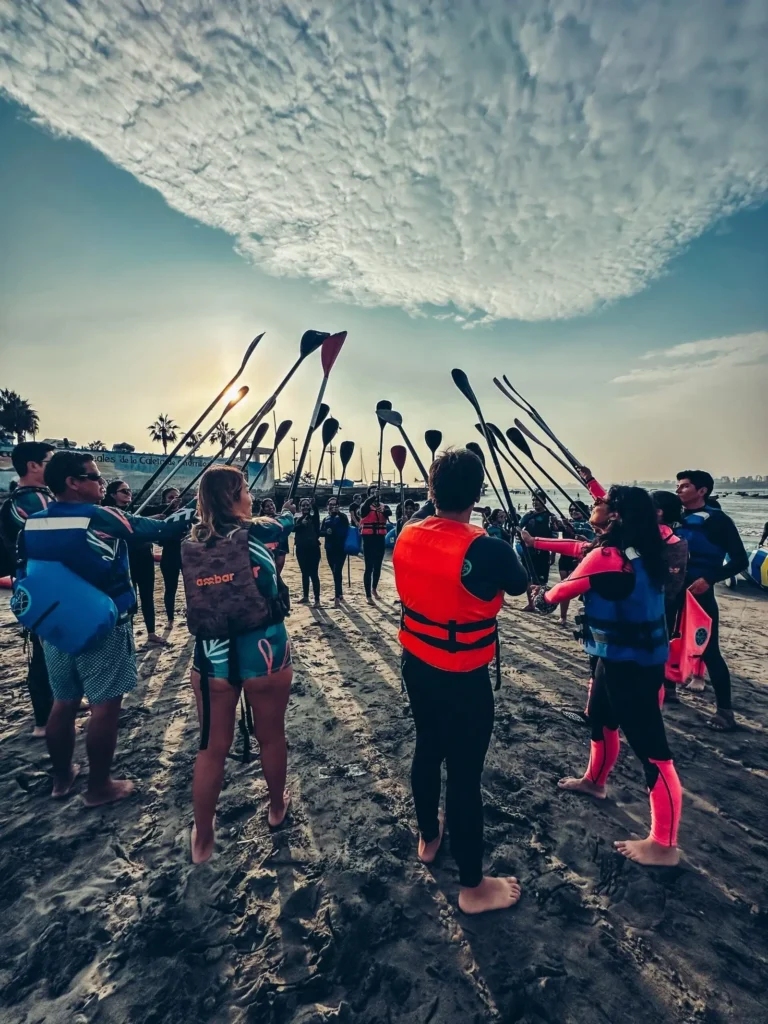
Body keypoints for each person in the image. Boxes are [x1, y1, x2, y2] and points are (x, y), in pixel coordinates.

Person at [393, 448, 528, 914]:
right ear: (477, 492)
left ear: (431, 490)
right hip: (464, 673)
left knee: (428, 747)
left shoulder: (407, 532)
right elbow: (518, 583)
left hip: (417, 663)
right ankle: (472, 887)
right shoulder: (486, 546)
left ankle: (429, 836)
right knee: (465, 774)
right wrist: (492, 535)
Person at [19, 452, 191, 804]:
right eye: (95, 477)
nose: (101, 483)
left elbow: (26, 572)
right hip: (104, 624)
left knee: (63, 702)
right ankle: (99, 787)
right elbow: (164, 530)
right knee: (104, 706)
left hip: (54, 626)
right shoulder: (99, 516)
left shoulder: (33, 523)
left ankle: (62, 776)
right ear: (73, 482)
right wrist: (197, 507)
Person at [533, 485, 681, 867]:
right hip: (619, 658)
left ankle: (664, 843)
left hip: (629, 664)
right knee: (600, 721)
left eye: (600, 503)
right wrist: (535, 540)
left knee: (653, 751)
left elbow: (556, 596)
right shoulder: (645, 546)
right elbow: (576, 549)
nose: (593, 505)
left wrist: (538, 596)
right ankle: (595, 782)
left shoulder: (607, 556)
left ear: (615, 516)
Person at [181, 466, 295, 862]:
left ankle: (203, 838)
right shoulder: (251, 542)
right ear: (232, 498)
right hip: (264, 652)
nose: (249, 495)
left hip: (211, 656)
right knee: (271, 736)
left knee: (210, 748)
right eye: (244, 490)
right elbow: (269, 587)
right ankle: (277, 807)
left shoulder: (192, 543)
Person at [675, 470, 748, 730]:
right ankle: (670, 691)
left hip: (700, 595)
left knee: (709, 651)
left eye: (684, 486)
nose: (678, 490)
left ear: (702, 490)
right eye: (678, 486)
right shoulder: (674, 517)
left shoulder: (719, 521)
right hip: (671, 592)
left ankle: (725, 712)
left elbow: (741, 560)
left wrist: (710, 579)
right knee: (668, 642)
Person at [0, 441, 55, 736]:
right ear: (33, 466)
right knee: (47, 649)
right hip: (43, 586)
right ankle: (44, 720)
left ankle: (53, 706)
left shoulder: (23, 499)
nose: (54, 467)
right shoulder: (34, 501)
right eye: (50, 462)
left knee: (46, 646)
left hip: (31, 584)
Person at [103, 480, 166, 645]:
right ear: (112, 495)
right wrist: (151, 520)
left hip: (145, 559)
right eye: (124, 491)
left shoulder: (138, 509)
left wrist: (170, 505)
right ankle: (128, 637)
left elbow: (156, 510)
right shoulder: (111, 514)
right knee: (130, 601)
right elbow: (132, 525)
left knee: (148, 597)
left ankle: (151, 633)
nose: (128, 493)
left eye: (129, 490)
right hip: (127, 562)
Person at [651, 490, 689, 703]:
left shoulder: (659, 537)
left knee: (656, 644)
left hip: (659, 601)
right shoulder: (678, 537)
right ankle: (668, 686)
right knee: (664, 641)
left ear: (659, 512)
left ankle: (663, 687)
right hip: (669, 600)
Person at [553, 501, 594, 627]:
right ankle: (563, 616)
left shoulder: (589, 524)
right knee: (564, 585)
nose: (573, 512)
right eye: (571, 510)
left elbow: (592, 541)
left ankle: (589, 615)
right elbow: (555, 530)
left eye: (576, 509)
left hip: (578, 558)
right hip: (565, 557)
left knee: (580, 588)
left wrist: (584, 539)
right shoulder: (567, 523)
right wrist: (554, 521)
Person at [519, 492, 556, 609]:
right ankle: (531, 604)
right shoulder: (528, 516)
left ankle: (540, 603)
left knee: (541, 580)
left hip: (543, 551)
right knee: (528, 577)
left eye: (538, 500)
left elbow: (554, 537)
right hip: (529, 552)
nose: (535, 502)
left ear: (544, 501)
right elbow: (519, 529)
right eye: (534, 500)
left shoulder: (550, 517)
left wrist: (553, 554)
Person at [156, 486, 183, 627]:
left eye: (176, 497)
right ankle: (170, 618)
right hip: (169, 555)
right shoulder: (162, 515)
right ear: (165, 500)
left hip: (185, 555)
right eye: (170, 497)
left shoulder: (186, 514)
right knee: (170, 588)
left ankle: (193, 614)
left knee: (191, 588)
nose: (174, 500)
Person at [359, 485, 391, 603]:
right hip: (368, 539)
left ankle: (374, 589)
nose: (375, 495)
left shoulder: (384, 506)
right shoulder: (365, 506)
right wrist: (373, 497)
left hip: (380, 538)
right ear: (369, 495)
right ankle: (368, 595)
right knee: (369, 567)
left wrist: (385, 511)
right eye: (372, 493)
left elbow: (389, 513)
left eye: (376, 493)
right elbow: (363, 512)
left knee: (378, 566)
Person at [320, 496, 349, 606]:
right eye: (331, 505)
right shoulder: (326, 519)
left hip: (340, 548)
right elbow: (320, 532)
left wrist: (339, 514)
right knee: (335, 572)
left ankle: (337, 596)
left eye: (335, 504)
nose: (333, 507)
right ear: (327, 506)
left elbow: (346, 528)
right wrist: (326, 532)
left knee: (337, 571)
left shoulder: (342, 517)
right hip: (329, 548)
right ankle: (340, 593)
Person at [294, 497, 321, 605]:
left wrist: (313, 504)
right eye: (303, 505)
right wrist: (301, 524)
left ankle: (317, 599)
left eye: (307, 505)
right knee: (304, 573)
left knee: (314, 574)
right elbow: (292, 528)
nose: (305, 507)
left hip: (313, 549)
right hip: (301, 549)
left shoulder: (314, 518)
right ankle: (305, 596)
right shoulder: (297, 519)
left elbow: (317, 513)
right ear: (300, 508)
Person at [260, 497, 290, 575]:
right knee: (270, 572)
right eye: (267, 506)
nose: (271, 507)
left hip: (282, 548)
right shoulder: (262, 521)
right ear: (263, 510)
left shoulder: (281, 517)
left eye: (271, 504)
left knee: (278, 573)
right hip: (269, 549)